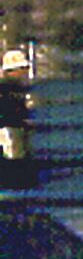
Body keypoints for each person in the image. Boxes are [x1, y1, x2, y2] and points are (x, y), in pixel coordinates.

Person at [0, 48, 36, 189]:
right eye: (22, 69)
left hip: (17, 128)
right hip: (9, 129)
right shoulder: (7, 90)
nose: (25, 73)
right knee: (14, 156)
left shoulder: (18, 90)